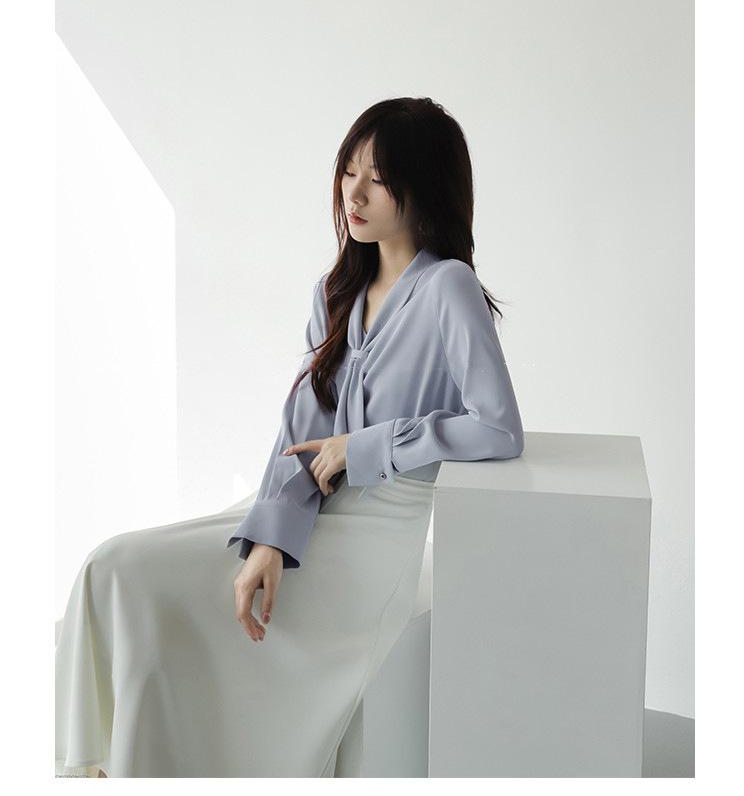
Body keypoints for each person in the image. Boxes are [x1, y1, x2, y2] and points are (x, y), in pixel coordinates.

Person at [55, 96, 524, 777]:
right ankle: (114, 767)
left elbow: (498, 427)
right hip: (306, 512)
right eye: (349, 172)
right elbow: (298, 432)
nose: (353, 194)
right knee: (113, 567)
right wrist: (272, 538)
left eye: (378, 179)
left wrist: (364, 448)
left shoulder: (449, 288)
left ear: (423, 188)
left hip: (373, 541)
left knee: (147, 585)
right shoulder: (334, 291)